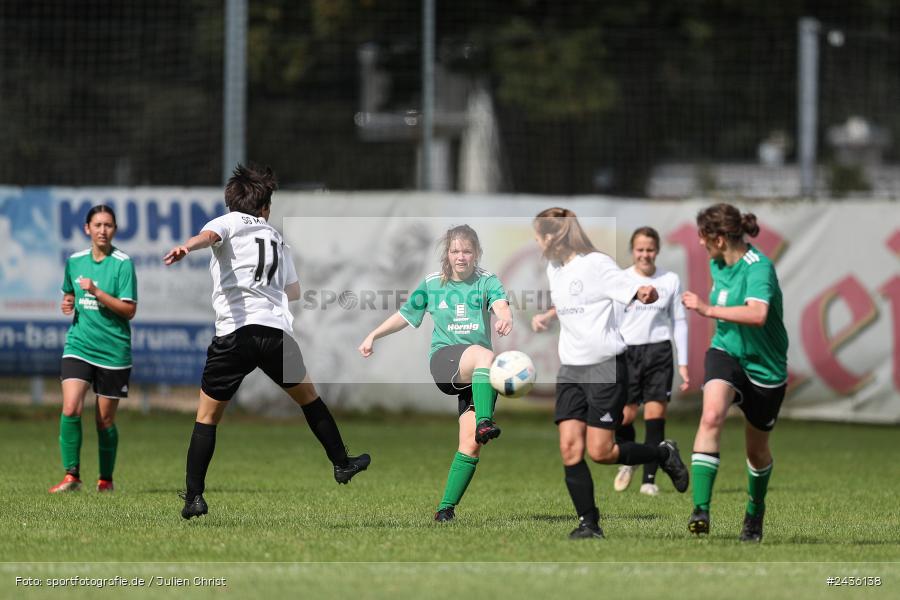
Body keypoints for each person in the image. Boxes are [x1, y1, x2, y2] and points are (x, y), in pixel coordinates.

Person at [163, 163, 370, 520]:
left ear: (232, 203)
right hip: (274, 333)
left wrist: (186, 247)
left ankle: (194, 497)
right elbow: (293, 291)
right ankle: (341, 462)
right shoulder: (276, 236)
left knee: (207, 418)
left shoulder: (227, 222)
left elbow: (209, 238)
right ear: (265, 207)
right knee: (309, 399)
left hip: (235, 334)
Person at [530, 208, 689, 539]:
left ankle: (663, 453)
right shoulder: (554, 267)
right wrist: (549, 315)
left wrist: (646, 292)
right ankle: (589, 523)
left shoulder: (597, 263)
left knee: (601, 452)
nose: (537, 242)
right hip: (571, 369)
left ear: (554, 236)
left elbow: (630, 288)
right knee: (570, 449)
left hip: (605, 367)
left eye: (539, 235)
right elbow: (580, 301)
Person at [358, 224, 513, 523]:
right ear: (447, 253)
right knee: (485, 356)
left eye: (467, 251)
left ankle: (445, 509)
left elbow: (501, 305)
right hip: (446, 362)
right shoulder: (432, 284)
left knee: (471, 444)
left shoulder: (487, 281)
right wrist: (373, 335)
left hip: (477, 374)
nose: (461, 256)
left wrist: (505, 318)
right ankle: (485, 421)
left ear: (477, 253)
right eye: (455, 250)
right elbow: (405, 316)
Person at [682, 203, 788, 542]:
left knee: (756, 452)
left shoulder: (759, 268)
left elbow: (757, 314)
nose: (699, 243)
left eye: (702, 236)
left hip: (765, 366)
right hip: (726, 352)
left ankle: (755, 511)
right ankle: (701, 510)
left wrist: (707, 308)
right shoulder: (718, 263)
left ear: (718, 238)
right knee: (711, 416)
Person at [51, 205, 137, 493]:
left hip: (113, 351)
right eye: (97, 225)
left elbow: (129, 310)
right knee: (71, 407)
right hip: (79, 344)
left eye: (108, 225)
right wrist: (67, 302)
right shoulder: (74, 261)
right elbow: (68, 294)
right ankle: (71, 475)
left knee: (104, 420)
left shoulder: (123, 263)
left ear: (115, 230)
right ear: (87, 228)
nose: (103, 230)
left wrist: (98, 292)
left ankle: (106, 480)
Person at [612, 227, 690, 497]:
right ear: (633, 251)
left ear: (657, 250)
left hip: (659, 352)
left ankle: (649, 480)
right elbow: (611, 321)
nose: (645, 255)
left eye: (650, 249)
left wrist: (684, 362)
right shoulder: (621, 280)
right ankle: (628, 461)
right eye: (640, 250)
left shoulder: (669, 279)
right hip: (627, 353)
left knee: (655, 415)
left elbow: (678, 320)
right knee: (626, 416)